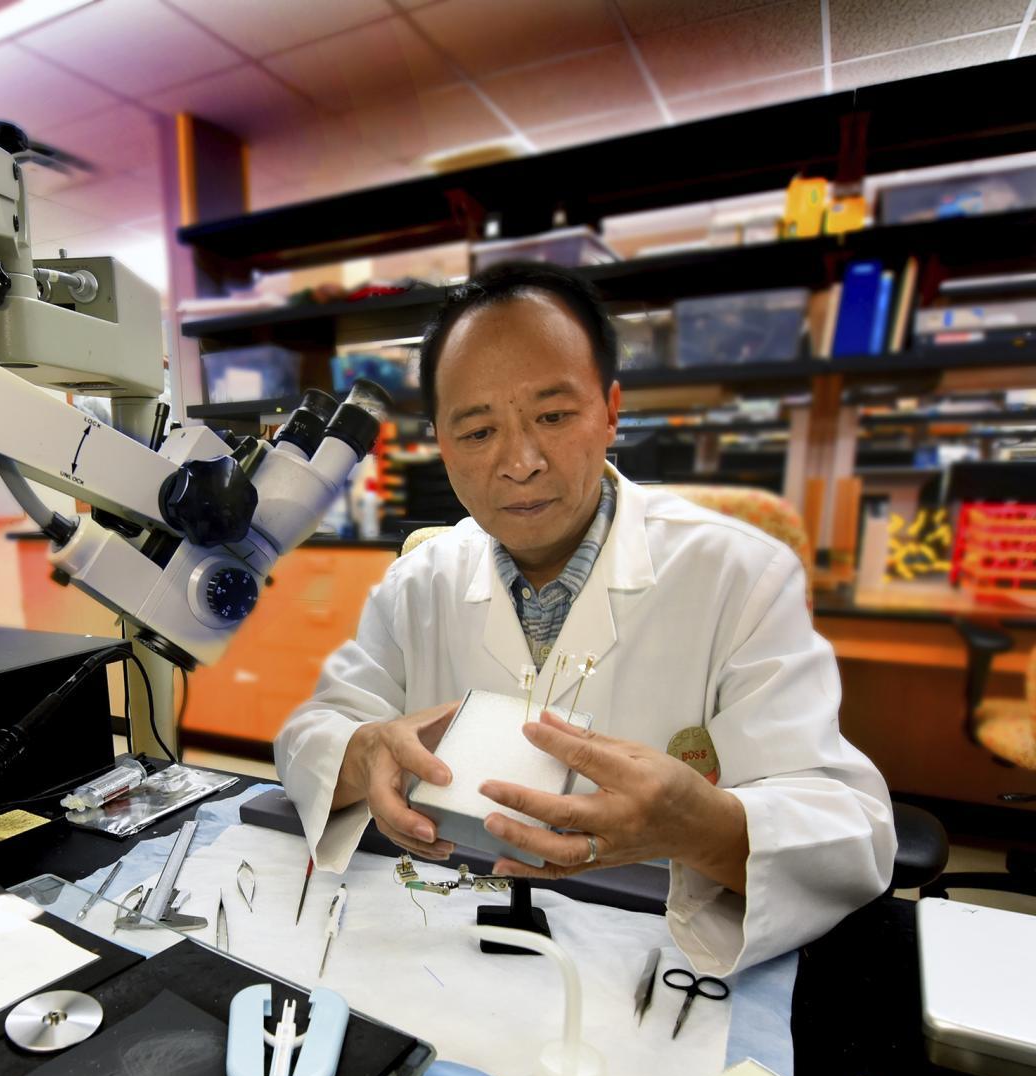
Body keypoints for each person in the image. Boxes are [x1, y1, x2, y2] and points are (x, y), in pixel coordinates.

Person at [274, 263, 894, 975]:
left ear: (610, 411)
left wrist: (702, 826)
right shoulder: (418, 581)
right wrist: (364, 753)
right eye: (477, 432)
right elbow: (309, 736)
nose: (521, 462)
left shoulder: (741, 574)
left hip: (655, 951)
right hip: (449, 937)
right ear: (440, 443)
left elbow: (851, 829)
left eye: (554, 415)